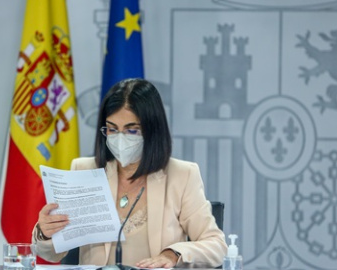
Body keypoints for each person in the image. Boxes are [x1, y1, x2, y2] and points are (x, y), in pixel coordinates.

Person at [33, 78, 227, 268]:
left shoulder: (182, 175)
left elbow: (217, 246)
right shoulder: (85, 170)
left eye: (131, 131)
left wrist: (173, 254)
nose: (120, 139)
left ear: (153, 131)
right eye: (112, 129)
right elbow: (52, 254)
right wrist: (46, 233)